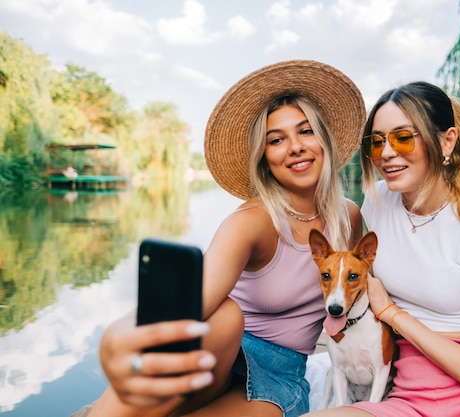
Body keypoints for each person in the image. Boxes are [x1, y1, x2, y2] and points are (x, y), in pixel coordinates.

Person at [76, 59, 365, 417]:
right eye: (276, 140)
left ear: (325, 139)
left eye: (306, 132)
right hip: (219, 351)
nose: (294, 147)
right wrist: (117, 336)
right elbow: (186, 304)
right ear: (265, 158)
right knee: (226, 315)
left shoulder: (349, 218)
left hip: (279, 375)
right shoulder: (252, 221)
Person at [303, 82, 460, 416]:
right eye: (376, 141)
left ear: (446, 140)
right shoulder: (377, 203)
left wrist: (392, 315)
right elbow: (338, 262)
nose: (386, 153)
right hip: (405, 394)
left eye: (402, 137)